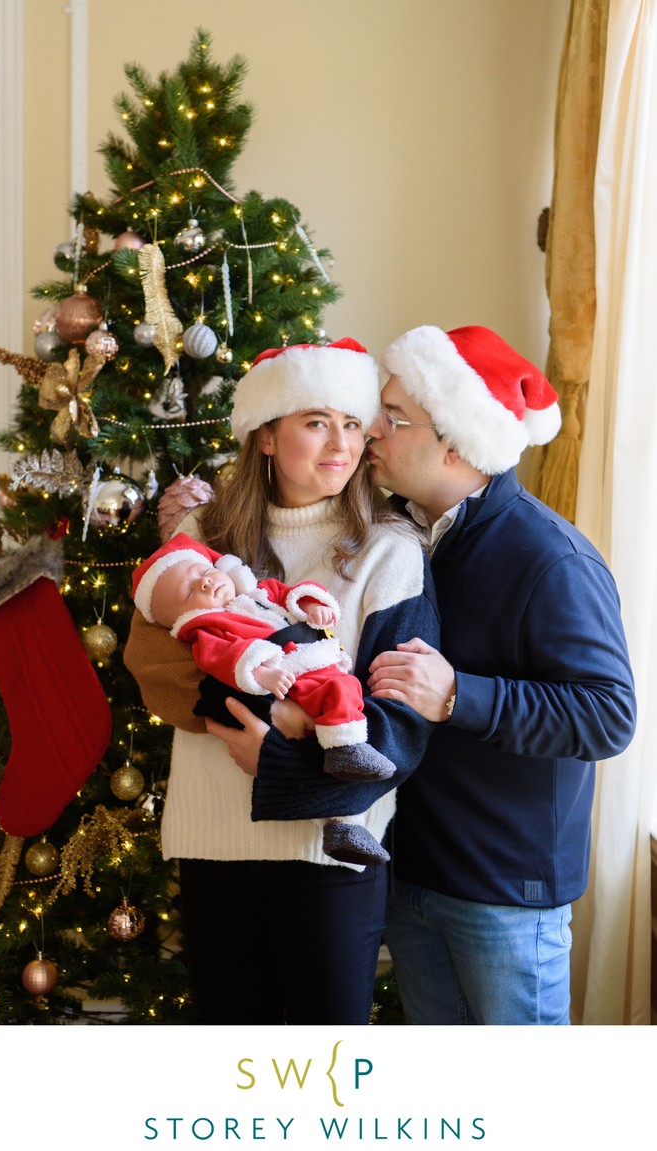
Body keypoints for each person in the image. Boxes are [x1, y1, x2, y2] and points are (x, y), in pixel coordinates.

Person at [123, 336, 440, 1025]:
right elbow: (150, 666)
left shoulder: (390, 548)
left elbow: (397, 730)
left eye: (353, 423)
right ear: (266, 435)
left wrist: (277, 758)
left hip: (331, 854)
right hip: (213, 840)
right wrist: (264, 705)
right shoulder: (205, 533)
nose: (340, 443)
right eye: (316, 421)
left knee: (318, 1071)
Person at [363, 323, 637, 1026]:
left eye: (392, 417)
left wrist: (458, 694)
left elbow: (608, 715)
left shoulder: (551, 559)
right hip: (411, 874)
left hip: (504, 896)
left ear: (455, 443)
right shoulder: (398, 538)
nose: (370, 431)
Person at [130, 532, 396, 866]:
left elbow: (290, 596)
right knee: (333, 703)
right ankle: (342, 799)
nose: (204, 584)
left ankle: (346, 797)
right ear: (181, 620)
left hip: (316, 666)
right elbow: (227, 659)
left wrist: (313, 605)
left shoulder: (259, 592)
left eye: (202, 573)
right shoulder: (209, 629)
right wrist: (264, 679)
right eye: (188, 592)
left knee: (344, 695)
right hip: (287, 679)